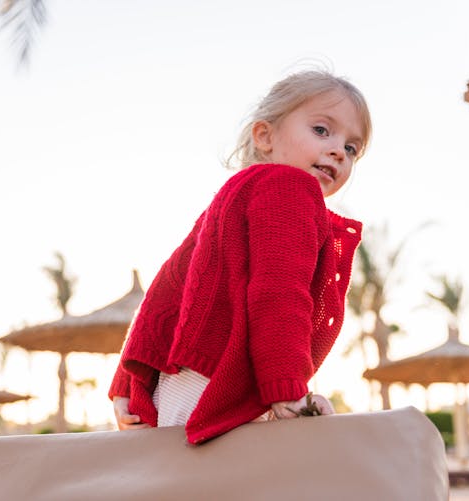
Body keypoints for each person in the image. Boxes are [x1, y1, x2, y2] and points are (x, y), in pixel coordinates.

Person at [109, 69, 371, 444]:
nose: (337, 151)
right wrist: (287, 389)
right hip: (225, 383)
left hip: (178, 385)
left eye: (351, 148)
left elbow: (166, 288)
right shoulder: (289, 187)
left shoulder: (233, 197)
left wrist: (126, 381)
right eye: (321, 130)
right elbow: (280, 292)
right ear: (265, 136)